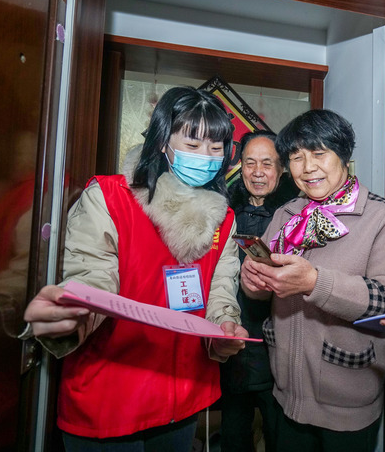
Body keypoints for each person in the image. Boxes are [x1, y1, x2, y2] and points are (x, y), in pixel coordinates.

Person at [22, 86, 248, 451]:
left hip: (183, 395)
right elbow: (92, 280)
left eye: (216, 147)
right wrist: (73, 314)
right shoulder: (109, 197)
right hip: (110, 397)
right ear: (162, 142)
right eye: (192, 144)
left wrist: (224, 325)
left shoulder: (224, 217)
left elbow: (221, 288)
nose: (205, 157)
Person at [240, 109, 385, 452]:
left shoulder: (379, 215)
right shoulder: (286, 213)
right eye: (296, 158)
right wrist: (253, 282)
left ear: (343, 157)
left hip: (347, 398)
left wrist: (314, 283)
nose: (308, 167)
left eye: (319, 153)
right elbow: (265, 290)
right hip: (285, 393)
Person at [219, 130, 297, 451]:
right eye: (250, 163)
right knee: (234, 433)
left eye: (267, 163)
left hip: (277, 344)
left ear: (281, 169)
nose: (257, 172)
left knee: (280, 433)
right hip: (233, 339)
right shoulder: (223, 211)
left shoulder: (296, 215)